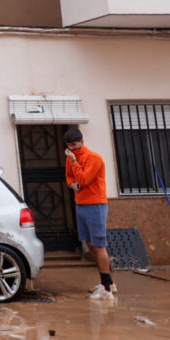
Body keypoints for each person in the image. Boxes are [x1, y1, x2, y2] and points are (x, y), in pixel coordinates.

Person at [64, 127, 116, 300]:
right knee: (90, 243)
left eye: (75, 145)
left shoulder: (93, 158)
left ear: (82, 142)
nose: (72, 149)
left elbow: (85, 179)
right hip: (81, 204)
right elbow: (70, 178)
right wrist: (72, 185)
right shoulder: (71, 158)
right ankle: (107, 281)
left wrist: (73, 161)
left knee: (99, 244)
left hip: (96, 204)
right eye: (69, 146)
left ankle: (107, 288)